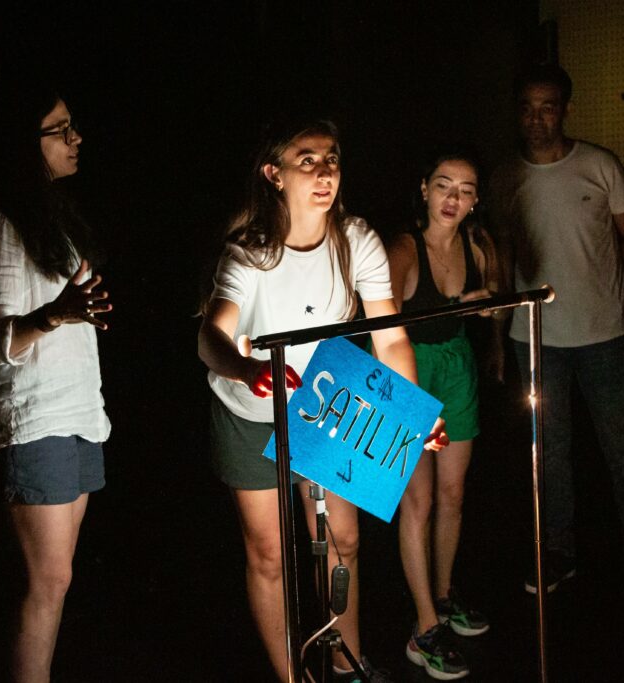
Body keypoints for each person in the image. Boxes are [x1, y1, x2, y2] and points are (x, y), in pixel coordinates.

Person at [198, 118, 443, 682]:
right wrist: (246, 368)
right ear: (274, 174)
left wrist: (409, 415)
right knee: (269, 554)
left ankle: (345, 661)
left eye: (331, 158)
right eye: (306, 160)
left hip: (325, 404)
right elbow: (210, 336)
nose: (324, 171)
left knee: (343, 540)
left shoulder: (356, 240)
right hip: (249, 414)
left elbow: (391, 339)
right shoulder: (250, 252)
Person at [489, 63, 624, 609]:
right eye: (527, 108)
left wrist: (597, 283)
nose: (536, 118)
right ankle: (558, 552)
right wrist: (498, 337)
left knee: (623, 450)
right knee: (548, 452)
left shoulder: (598, 164)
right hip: (533, 336)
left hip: (603, 334)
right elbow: (502, 258)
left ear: (565, 109)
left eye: (547, 107)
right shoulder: (505, 176)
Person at [0, 90, 113, 682]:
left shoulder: (54, 223)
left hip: (78, 414)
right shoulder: (0, 226)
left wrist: (73, 312)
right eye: (60, 129)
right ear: (25, 144)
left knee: (59, 579)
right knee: (48, 581)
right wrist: (55, 313)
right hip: (35, 420)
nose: (76, 139)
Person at [386, 153, 501, 679]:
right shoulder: (404, 247)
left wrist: (487, 311)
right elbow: (382, 323)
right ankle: (424, 627)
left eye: (465, 189)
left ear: (476, 199)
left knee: (453, 493)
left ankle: (443, 594)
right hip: (408, 368)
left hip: (457, 363)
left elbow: (492, 299)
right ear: (424, 190)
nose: (453, 198)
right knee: (420, 500)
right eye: (443, 186)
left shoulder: (478, 243)